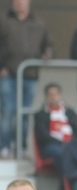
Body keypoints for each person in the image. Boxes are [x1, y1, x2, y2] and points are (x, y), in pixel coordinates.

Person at [0, 0, 53, 158]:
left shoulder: (39, 23)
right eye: (16, 1)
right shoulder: (3, 21)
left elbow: (48, 44)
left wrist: (48, 53)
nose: (19, 4)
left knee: (25, 113)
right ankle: (4, 146)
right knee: (8, 111)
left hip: (30, 75)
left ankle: (21, 146)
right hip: (7, 73)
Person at [32, 83, 75, 166]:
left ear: (60, 95)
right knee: (62, 152)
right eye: (50, 94)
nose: (53, 97)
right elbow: (42, 135)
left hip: (71, 143)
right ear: (46, 97)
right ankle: (65, 178)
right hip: (51, 145)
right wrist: (61, 142)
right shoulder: (41, 114)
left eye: (56, 94)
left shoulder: (70, 112)